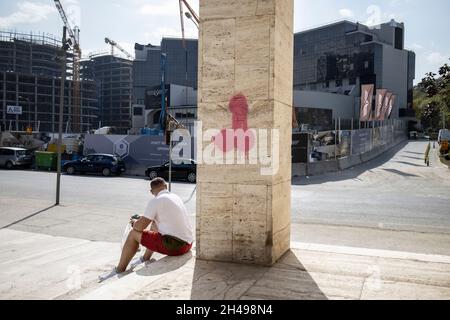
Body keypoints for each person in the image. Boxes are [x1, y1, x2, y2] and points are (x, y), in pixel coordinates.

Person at [99, 178, 193, 281]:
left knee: (133, 234)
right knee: (154, 224)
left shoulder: (156, 200)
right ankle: (145, 259)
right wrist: (142, 217)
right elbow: (160, 217)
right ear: (166, 186)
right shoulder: (175, 197)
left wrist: (134, 222)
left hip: (176, 247)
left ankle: (120, 269)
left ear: (152, 192)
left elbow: (139, 227)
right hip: (188, 244)